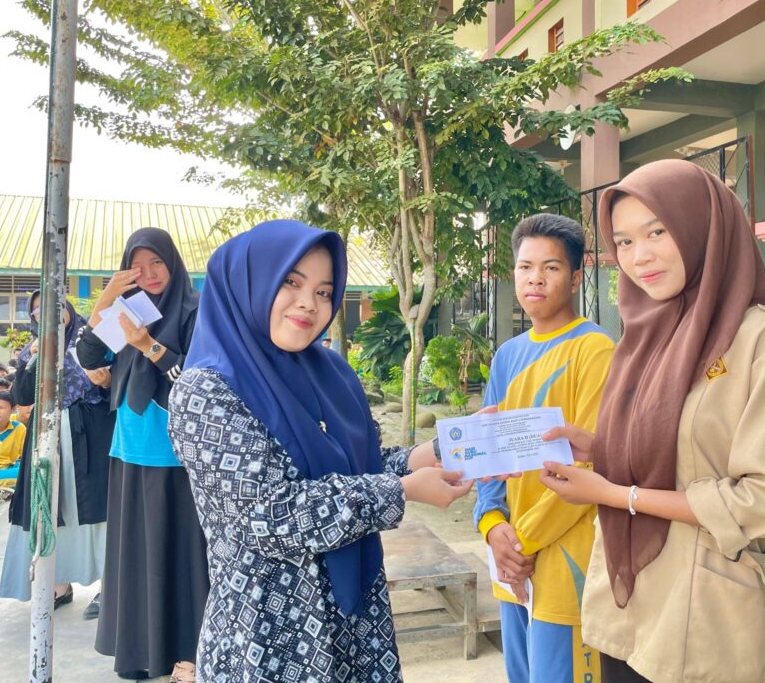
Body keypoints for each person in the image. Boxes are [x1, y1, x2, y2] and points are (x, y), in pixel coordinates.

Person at [538, 160, 765, 683]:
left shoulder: (761, 340)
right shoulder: (645, 332)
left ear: (701, 228)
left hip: (700, 614)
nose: (638, 256)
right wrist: (598, 446)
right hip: (626, 606)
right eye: (623, 241)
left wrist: (616, 495)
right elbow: (678, 446)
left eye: (657, 232)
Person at [168, 220, 472, 682]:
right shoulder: (206, 391)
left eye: (324, 291)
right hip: (272, 631)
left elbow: (359, 466)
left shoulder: (330, 371)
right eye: (291, 283)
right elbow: (271, 515)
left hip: (356, 620)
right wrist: (403, 491)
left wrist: (434, 452)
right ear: (249, 284)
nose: (309, 303)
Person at [473, 214, 615, 683]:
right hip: (510, 555)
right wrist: (493, 526)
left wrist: (523, 544)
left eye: (551, 268)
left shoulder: (595, 349)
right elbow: (487, 453)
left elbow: (592, 465)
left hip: (565, 556)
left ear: (575, 278)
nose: (535, 278)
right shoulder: (507, 355)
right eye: (525, 267)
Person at [76, 227, 207, 683]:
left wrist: (148, 346)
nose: (149, 274)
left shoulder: (196, 311)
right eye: (138, 266)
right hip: (130, 446)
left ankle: (189, 651)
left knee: (183, 556)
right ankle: (141, 651)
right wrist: (105, 302)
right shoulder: (129, 309)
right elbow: (88, 354)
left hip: (178, 454)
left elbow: (198, 383)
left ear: (172, 263)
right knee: (136, 555)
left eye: (157, 263)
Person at [0, 291, 115, 617]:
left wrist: (107, 382)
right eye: (38, 311)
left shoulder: (92, 339)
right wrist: (33, 358)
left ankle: (109, 587)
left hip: (91, 435)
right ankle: (59, 583)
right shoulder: (33, 349)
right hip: (46, 436)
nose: (47, 314)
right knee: (51, 506)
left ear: (68, 310)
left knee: (98, 508)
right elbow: (22, 396)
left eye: (55, 307)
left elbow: (118, 383)